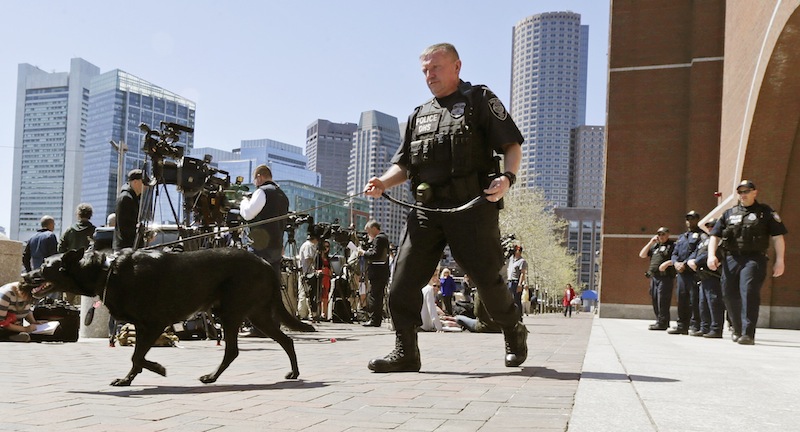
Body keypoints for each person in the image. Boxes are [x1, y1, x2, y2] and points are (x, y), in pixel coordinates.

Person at [363, 43, 527, 373]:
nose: (430, 75)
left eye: (436, 68)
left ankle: (513, 329)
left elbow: (511, 144)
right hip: (427, 211)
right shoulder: (418, 114)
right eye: (425, 70)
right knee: (402, 283)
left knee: (487, 281)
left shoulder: (479, 99)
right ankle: (406, 351)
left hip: (471, 206)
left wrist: (507, 178)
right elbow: (405, 165)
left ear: (456, 66)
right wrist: (382, 182)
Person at [708, 180, 787, 345]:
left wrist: (780, 260)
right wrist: (711, 256)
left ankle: (748, 333)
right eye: (741, 192)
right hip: (731, 258)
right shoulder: (729, 214)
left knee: (749, 292)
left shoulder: (765, 213)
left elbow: (778, 237)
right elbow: (714, 236)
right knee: (729, 295)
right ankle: (737, 329)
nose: (743, 195)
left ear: (754, 192)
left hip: (754, 258)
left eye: (746, 191)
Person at [239, 164, 289, 270]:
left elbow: (248, 214)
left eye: (255, 180)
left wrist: (244, 202)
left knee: (254, 281)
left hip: (260, 248)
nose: (255, 184)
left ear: (259, 177)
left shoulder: (262, 191)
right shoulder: (283, 196)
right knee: (272, 281)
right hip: (276, 247)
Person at [664, 210, 703, 335]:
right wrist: (675, 263)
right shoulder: (682, 237)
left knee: (694, 299)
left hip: (692, 273)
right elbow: (674, 253)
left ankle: (695, 325)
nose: (690, 221)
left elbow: (698, 252)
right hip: (681, 273)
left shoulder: (702, 236)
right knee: (681, 299)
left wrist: (684, 263)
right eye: (688, 219)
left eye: (692, 218)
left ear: (697, 220)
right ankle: (682, 325)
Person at [687, 218, 725, 338]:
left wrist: (696, 262)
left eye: (712, 226)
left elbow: (713, 254)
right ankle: (705, 327)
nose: (710, 228)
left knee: (714, 302)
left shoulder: (719, 240)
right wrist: (689, 261)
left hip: (713, 275)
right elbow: (696, 253)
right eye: (708, 226)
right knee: (703, 303)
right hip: (702, 276)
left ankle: (716, 328)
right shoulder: (704, 240)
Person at [639, 227, 676, 330]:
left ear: (668, 234)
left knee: (662, 300)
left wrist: (667, 264)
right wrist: (651, 242)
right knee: (655, 299)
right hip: (654, 277)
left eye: (663, 234)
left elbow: (676, 258)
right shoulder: (655, 246)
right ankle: (659, 321)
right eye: (659, 234)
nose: (661, 236)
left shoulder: (672, 246)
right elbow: (642, 255)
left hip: (665, 277)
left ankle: (663, 322)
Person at [359, 220, 390, 327]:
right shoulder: (384, 237)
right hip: (382, 272)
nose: (368, 234)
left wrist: (363, 253)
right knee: (378, 296)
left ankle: (374, 319)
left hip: (377, 272)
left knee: (374, 296)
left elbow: (375, 254)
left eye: (368, 231)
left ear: (373, 228)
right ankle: (376, 319)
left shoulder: (379, 238)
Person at [113, 169, 144, 250]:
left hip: (128, 247)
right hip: (126, 249)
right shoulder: (126, 198)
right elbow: (126, 228)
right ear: (135, 182)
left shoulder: (132, 197)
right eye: (143, 182)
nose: (146, 186)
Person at [297, 232, 319, 320]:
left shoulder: (308, 245)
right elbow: (308, 258)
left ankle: (304, 313)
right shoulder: (308, 245)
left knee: (307, 294)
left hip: (307, 272)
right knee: (305, 293)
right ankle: (302, 313)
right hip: (307, 273)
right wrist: (314, 268)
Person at [507, 245, 528, 321]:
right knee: (509, 300)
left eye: (516, 250)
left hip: (516, 282)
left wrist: (520, 284)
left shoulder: (522, 261)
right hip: (509, 281)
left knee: (516, 301)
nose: (515, 251)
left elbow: (522, 273)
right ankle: (511, 317)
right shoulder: (511, 259)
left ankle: (519, 319)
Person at [316, 240, 333, 320]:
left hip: (327, 277)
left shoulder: (328, 258)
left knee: (325, 296)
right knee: (319, 295)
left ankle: (324, 313)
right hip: (320, 276)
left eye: (328, 246)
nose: (326, 248)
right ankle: (318, 312)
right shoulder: (318, 256)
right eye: (325, 246)